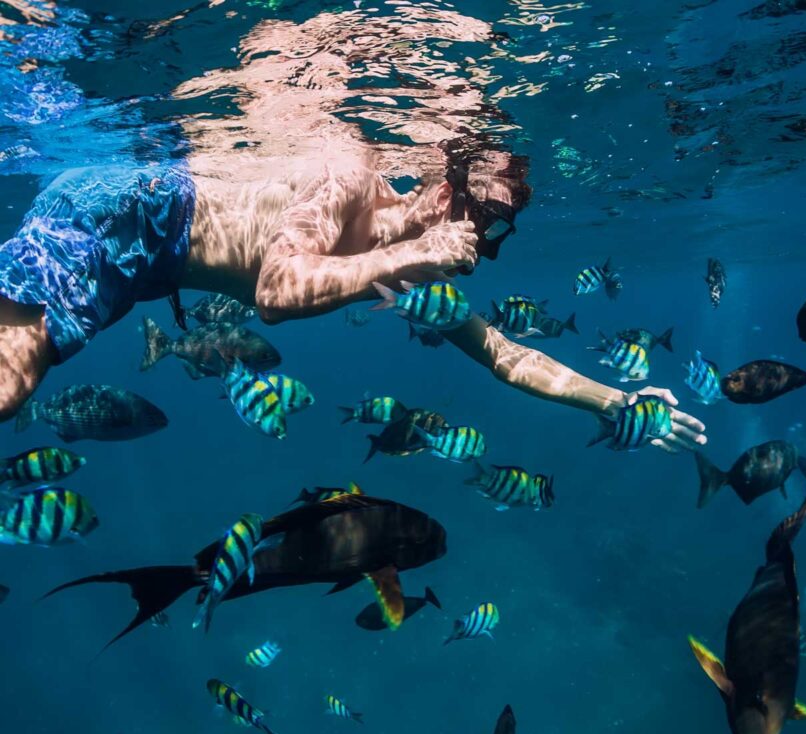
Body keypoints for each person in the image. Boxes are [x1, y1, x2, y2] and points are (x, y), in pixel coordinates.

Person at [0, 7, 706, 452]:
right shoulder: (346, 169)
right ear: (439, 193)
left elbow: (501, 353)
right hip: (129, 212)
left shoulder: (410, 262)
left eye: (500, 230)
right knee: (9, 380)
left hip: (149, 262)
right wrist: (423, 251)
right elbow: (278, 289)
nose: (485, 244)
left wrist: (614, 401)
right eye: (483, 217)